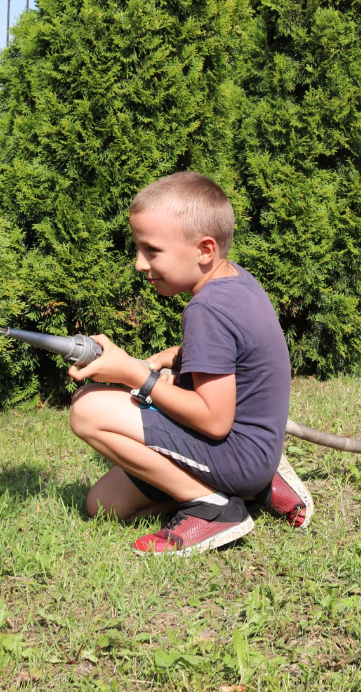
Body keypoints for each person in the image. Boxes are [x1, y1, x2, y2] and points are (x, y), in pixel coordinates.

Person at [67, 171, 313, 555]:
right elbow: (237, 354)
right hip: (254, 452)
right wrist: (175, 356)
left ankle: (216, 509)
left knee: (87, 407)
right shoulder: (236, 283)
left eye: (151, 250)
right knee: (102, 504)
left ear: (204, 249)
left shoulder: (207, 309)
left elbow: (214, 422)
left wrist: (135, 374)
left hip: (238, 452)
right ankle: (249, 489)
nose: (139, 263)